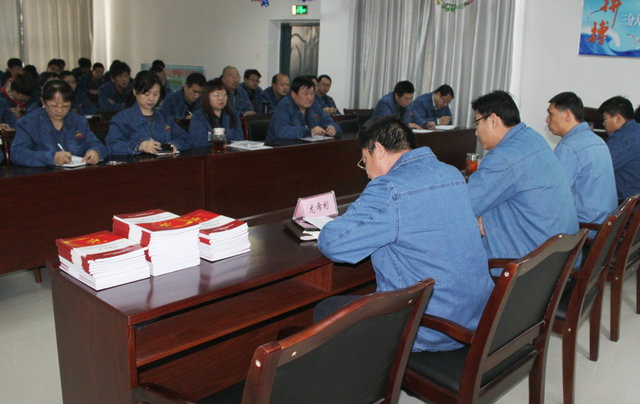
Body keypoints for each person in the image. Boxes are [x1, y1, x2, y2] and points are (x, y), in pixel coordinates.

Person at [315, 116, 493, 352]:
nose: (366, 172)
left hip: (429, 328)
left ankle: (370, 373)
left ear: (378, 149)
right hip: (475, 318)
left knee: (324, 309)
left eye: (364, 161)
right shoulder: (451, 174)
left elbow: (333, 243)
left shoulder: (389, 188)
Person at [467, 90, 578, 260]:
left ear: (493, 120)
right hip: (561, 256)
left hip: (529, 263)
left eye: (477, 123)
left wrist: (483, 219)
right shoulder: (533, 138)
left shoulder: (503, 157)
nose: (476, 132)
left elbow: (465, 206)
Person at [547, 92, 617, 225]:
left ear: (567, 115)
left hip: (584, 228)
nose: (547, 120)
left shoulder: (569, 147)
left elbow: (554, 195)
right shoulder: (598, 141)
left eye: (551, 114)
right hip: (605, 226)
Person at [10, 79, 107, 167]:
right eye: (54, 105)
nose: (60, 110)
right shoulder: (28, 123)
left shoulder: (79, 121)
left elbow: (97, 145)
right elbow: (17, 154)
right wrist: (51, 158)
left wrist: (95, 152)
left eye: (65, 106)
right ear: (43, 102)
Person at [106, 70, 190, 156]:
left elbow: (185, 138)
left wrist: (173, 144)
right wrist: (140, 146)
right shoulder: (121, 119)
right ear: (134, 91)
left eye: (156, 94)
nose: (151, 99)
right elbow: (112, 146)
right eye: (146, 94)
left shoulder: (164, 117)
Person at [266, 76, 341, 141]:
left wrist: (332, 128)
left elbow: (328, 121)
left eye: (312, 93)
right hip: (279, 148)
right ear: (293, 94)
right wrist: (309, 132)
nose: (310, 97)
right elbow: (281, 131)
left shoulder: (314, 104)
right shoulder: (284, 106)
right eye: (306, 93)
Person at [598, 96, 640, 199]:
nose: (603, 124)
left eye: (605, 119)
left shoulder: (621, 139)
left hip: (629, 203)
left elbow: (600, 168)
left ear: (618, 118)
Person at [188, 78, 244, 147]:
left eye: (224, 94)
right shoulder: (198, 117)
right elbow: (200, 143)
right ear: (207, 97)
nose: (221, 98)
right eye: (217, 95)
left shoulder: (233, 115)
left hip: (232, 152)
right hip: (209, 153)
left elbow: (239, 139)